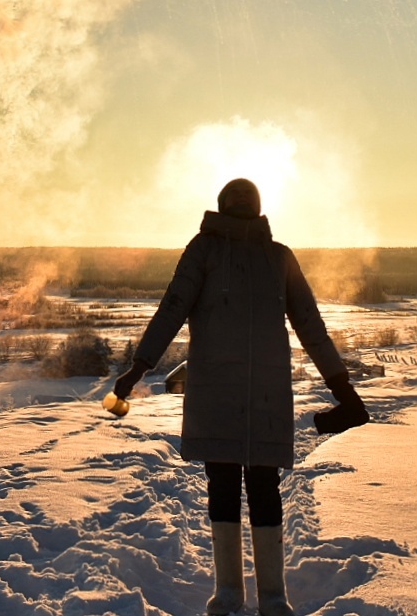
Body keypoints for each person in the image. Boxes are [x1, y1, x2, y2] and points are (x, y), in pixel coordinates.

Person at [111, 178, 369, 616]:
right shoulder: (204, 250)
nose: (242, 201)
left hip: (267, 392)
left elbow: (310, 324)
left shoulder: (278, 257)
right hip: (215, 389)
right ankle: (229, 591)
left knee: (265, 488)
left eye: (247, 196)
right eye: (235, 196)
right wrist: (140, 365)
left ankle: (273, 596)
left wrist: (342, 386)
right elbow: (172, 307)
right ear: (222, 205)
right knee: (224, 485)